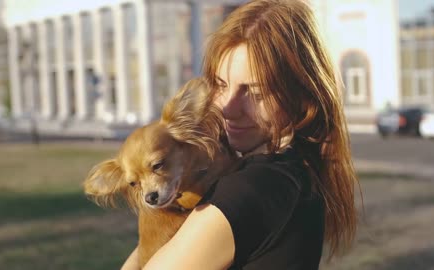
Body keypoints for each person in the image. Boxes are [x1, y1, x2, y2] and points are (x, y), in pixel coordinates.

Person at [123, 0, 359, 269]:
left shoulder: (255, 188)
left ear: (302, 97)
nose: (228, 109)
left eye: (255, 92)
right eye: (222, 85)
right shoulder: (300, 171)